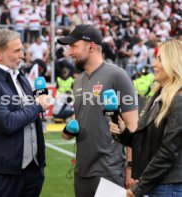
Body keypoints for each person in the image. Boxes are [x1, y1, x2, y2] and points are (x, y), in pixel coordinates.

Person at [57, 24, 138, 197]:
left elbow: (133, 126)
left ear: (91, 46)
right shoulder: (78, 81)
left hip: (109, 170)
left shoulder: (118, 76)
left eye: (73, 46)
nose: (69, 52)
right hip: (81, 170)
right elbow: (84, 120)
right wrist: (70, 131)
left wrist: (131, 169)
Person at [0, 29, 51, 197]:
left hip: (32, 170)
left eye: (21, 49)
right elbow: (6, 122)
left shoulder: (20, 76)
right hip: (1, 173)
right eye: (17, 50)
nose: (22, 55)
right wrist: (37, 106)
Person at [109, 39, 182, 197]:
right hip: (158, 185)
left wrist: (139, 188)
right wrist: (123, 132)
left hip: (168, 187)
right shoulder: (160, 95)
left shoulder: (178, 99)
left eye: (160, 59)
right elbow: (145, 142)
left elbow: (167, 152)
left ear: (173, 63)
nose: (154, 65)